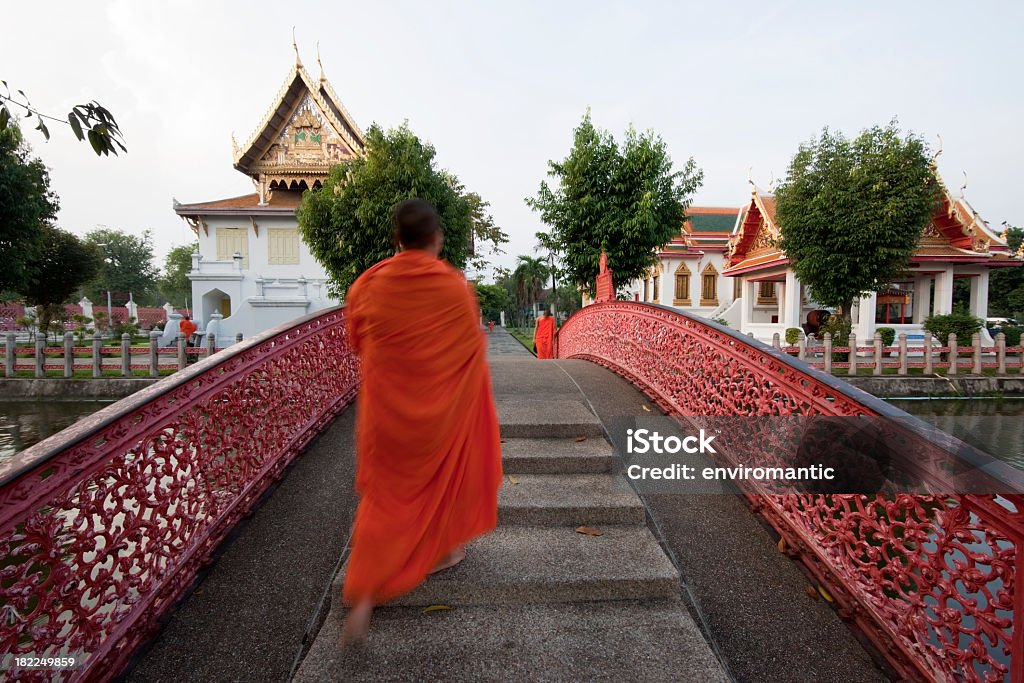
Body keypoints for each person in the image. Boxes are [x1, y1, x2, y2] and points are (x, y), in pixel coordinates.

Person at [340, 198, 503, 646]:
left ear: (396, 239)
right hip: (438, 416)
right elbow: (471, 350)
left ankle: (366, 594)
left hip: (388, 415)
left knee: (386, 495)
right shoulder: (452, 287)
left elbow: (356, 339)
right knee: (444, 477)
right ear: (437, 239)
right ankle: (443, 549)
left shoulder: (369, 285)